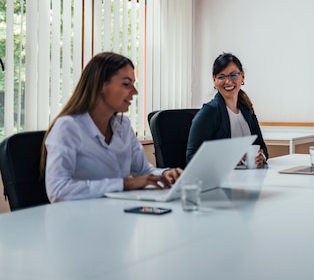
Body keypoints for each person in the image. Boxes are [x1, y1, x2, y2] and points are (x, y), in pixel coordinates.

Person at [42, 52, 183, 203]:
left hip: (116, 212)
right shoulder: (68, 128)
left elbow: (143, 171)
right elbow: (58, 190)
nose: (134, 92)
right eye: (126, 84)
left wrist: (165, 175)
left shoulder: (123, 125)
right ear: (101, 85)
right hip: (78, 219)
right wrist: (125, 184)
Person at [186, 53, 268, 167]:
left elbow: (261, 147)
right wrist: (227, 159)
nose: (228, 82)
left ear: (242, 76)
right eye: (221, 77)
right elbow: (192, 158)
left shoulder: (247, 109)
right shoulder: (209, 112)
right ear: (214, 80)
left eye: (233, 75)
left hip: (249, 179)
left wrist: (261, 157)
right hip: (222, 181)